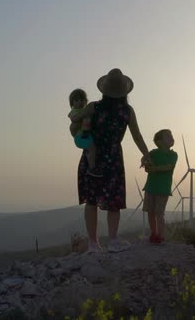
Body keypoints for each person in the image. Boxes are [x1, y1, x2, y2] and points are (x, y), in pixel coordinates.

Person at [70, 68, 151, 253]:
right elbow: (137, 137)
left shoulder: (93, 107)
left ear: (104, 90)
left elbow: (75, 121)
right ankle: (113, 241)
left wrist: (76, 120)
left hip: (93, 155)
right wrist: (147, 155)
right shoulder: (127, 111)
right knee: (113, 201)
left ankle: (93, 243)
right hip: (113, 158)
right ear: (124, 92)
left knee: (92, 200)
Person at [143, 129, 178, 244]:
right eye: (168, 136)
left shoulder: (173, 155)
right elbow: (145, 158)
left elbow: (169, 167)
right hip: (150, 187)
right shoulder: (153, 153)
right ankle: (153, 233)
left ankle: (160, 235)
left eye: (171, 136)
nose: (171, 138)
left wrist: (154, 169)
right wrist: (145, 162)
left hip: (163, 189)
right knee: (150, 212)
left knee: (159, 213)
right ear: (159, 141)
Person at [68, 89, 101, 177]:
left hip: (84, 135)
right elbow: (73, 119)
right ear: (72, 104)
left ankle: (91, 166)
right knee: (92, 148)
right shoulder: (74, 112)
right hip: (80, 137)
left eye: (82, 100)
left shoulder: (85, 110)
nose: (80, 102)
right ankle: (92, 167)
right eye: (76, 100)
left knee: (91, 150)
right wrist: (82, 116)